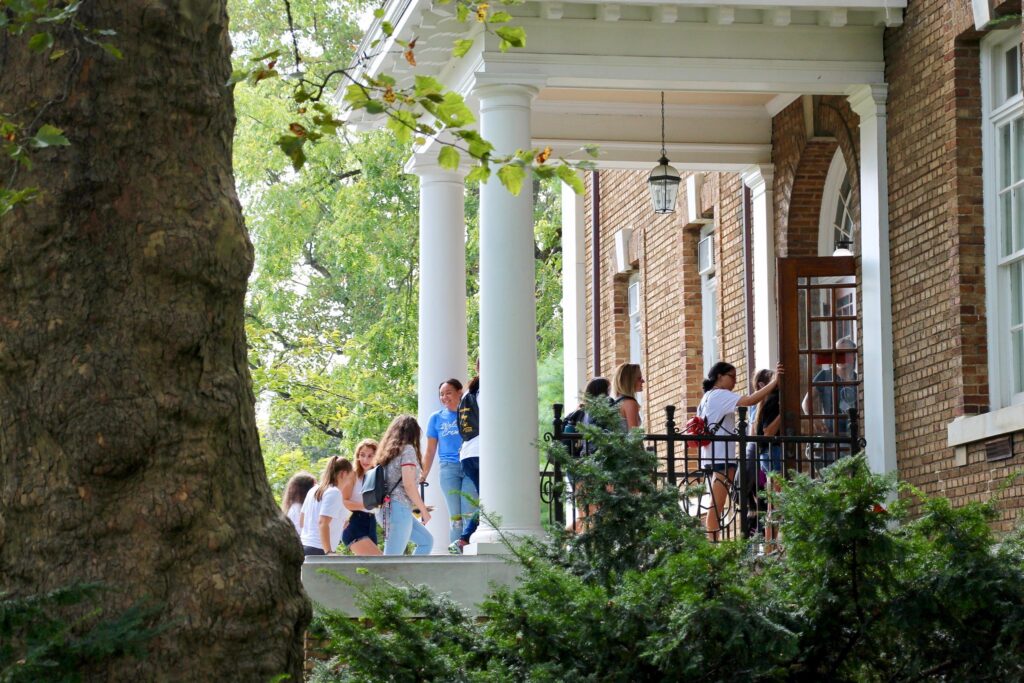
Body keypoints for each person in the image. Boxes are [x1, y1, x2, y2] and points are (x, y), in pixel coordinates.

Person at [697, 361, 782, 540]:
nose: (735, 381)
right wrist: (774, 383)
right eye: (732, 377)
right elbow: (749, 400)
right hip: (720, 457)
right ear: (719, 376)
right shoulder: (720, 394)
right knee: (716, 507)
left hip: (711, 457)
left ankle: (713, 545)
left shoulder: (707, 396)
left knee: (715, 505)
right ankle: (713, 549)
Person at [421, 379, 475, 545]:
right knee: (455, 516)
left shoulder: (470, 413)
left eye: (448, 393)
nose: (444, 397)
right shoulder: (436, 418)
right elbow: (430, 450)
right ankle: (457, 554)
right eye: (441, 394)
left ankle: (469, 549)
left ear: (460, 392)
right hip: (448, 469)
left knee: (469, 511)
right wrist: (423, 474)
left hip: (468, 465)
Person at [377, 415, 433, 556]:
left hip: (386, 509)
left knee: (426, 541)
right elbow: (409, 486)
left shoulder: (387, 453)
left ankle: (411, 578)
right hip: (398, 510)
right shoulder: (407, 450)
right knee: (391, 560)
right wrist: (423, 511)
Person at [801, 336, 858, 465]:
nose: (841, 357)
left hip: (851, 437)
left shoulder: (857, 378)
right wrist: (815, 419)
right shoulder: (825, 375)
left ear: (853, 356)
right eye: (837, 353)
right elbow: (806, 402)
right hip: (829, 438)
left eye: (845, 353)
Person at [449, 368, 480, 554]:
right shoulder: (486, 389)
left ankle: (464, 539)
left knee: (486, 500)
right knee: (489, 502)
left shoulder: (469, 391)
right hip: (482, 452)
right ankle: (464, 539)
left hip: (467, 453)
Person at [298, 456, 352, 557]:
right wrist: (329, 552)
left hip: (304, 547)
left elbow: (302, 521)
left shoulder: (313, 490)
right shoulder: (334, 492)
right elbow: (323, 522)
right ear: (343, 474)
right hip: (319, 550)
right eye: (349, 477)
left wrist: (339, 523)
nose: (349, 481)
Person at [340, 439, 382, 556]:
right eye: (362, 455)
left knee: (370, 570)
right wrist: (364, 505)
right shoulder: (352, 475)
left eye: (370, 456)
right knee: (380, 562)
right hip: (354, 523)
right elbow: (343, 502)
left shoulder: (378, 477)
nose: (365, 460)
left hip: (371, 522)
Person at [611, 363, 645, 429]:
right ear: (630, 381)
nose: (643, 381)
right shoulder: (630, 403)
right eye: (639, 378)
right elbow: (634, 435)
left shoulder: (618, 401)